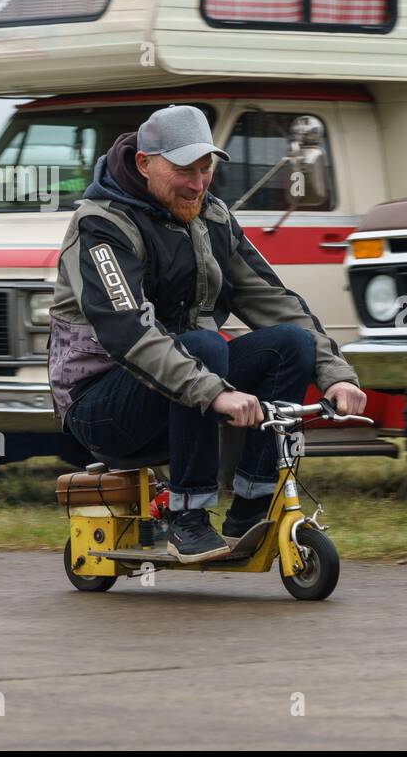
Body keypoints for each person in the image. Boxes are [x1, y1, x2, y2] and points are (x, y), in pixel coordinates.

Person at [47, 105, 366, 562]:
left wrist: (335, 373)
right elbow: (127, 333)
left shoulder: (211, 216)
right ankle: (188, 516)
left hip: (191, 389)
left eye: (206, 168)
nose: (197, 184)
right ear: (144, 163)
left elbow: (273, 301)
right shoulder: (100, 224)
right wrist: (214, 393)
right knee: (205, 344)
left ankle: (251, 509)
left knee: (289, 345)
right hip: (100, 407)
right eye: (183, 170)